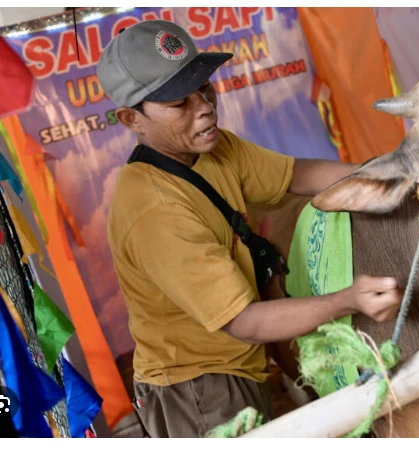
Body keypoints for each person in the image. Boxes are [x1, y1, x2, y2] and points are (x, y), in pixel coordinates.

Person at [97, 19, 402, 438]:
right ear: (131, 118)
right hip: (199, 387)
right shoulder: (154, 211)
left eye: (204, 88)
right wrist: (349, 300)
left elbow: (296, 173)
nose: (204, 107)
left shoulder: (214, 147)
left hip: (242, 363)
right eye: (178, 103)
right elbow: (245, 321)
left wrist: (386, 175)